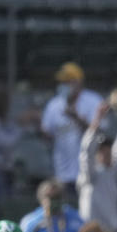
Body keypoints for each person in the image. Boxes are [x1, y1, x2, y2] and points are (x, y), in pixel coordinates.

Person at [40, 62, 105, 198]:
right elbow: (46, 133)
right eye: (62, 82)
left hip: (89, 171)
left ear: (79, 82)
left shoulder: (93, 101)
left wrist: (77, 118)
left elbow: (101, 134)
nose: (64, 85)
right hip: (62, 171)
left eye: (68, 81)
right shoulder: (54, 105)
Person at [77, 102, 117, 232]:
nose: (106, 154)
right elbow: (87, 151)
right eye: (102, 151)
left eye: (109, 151)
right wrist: (97, 119)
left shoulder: (114, 173)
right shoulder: (90, 175)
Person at [19, 179, 85, 232]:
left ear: (63, 198)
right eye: (49, 197)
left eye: (57, 197)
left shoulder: (76, 219)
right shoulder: (31, 221)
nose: (53, 201)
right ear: (41, 198)